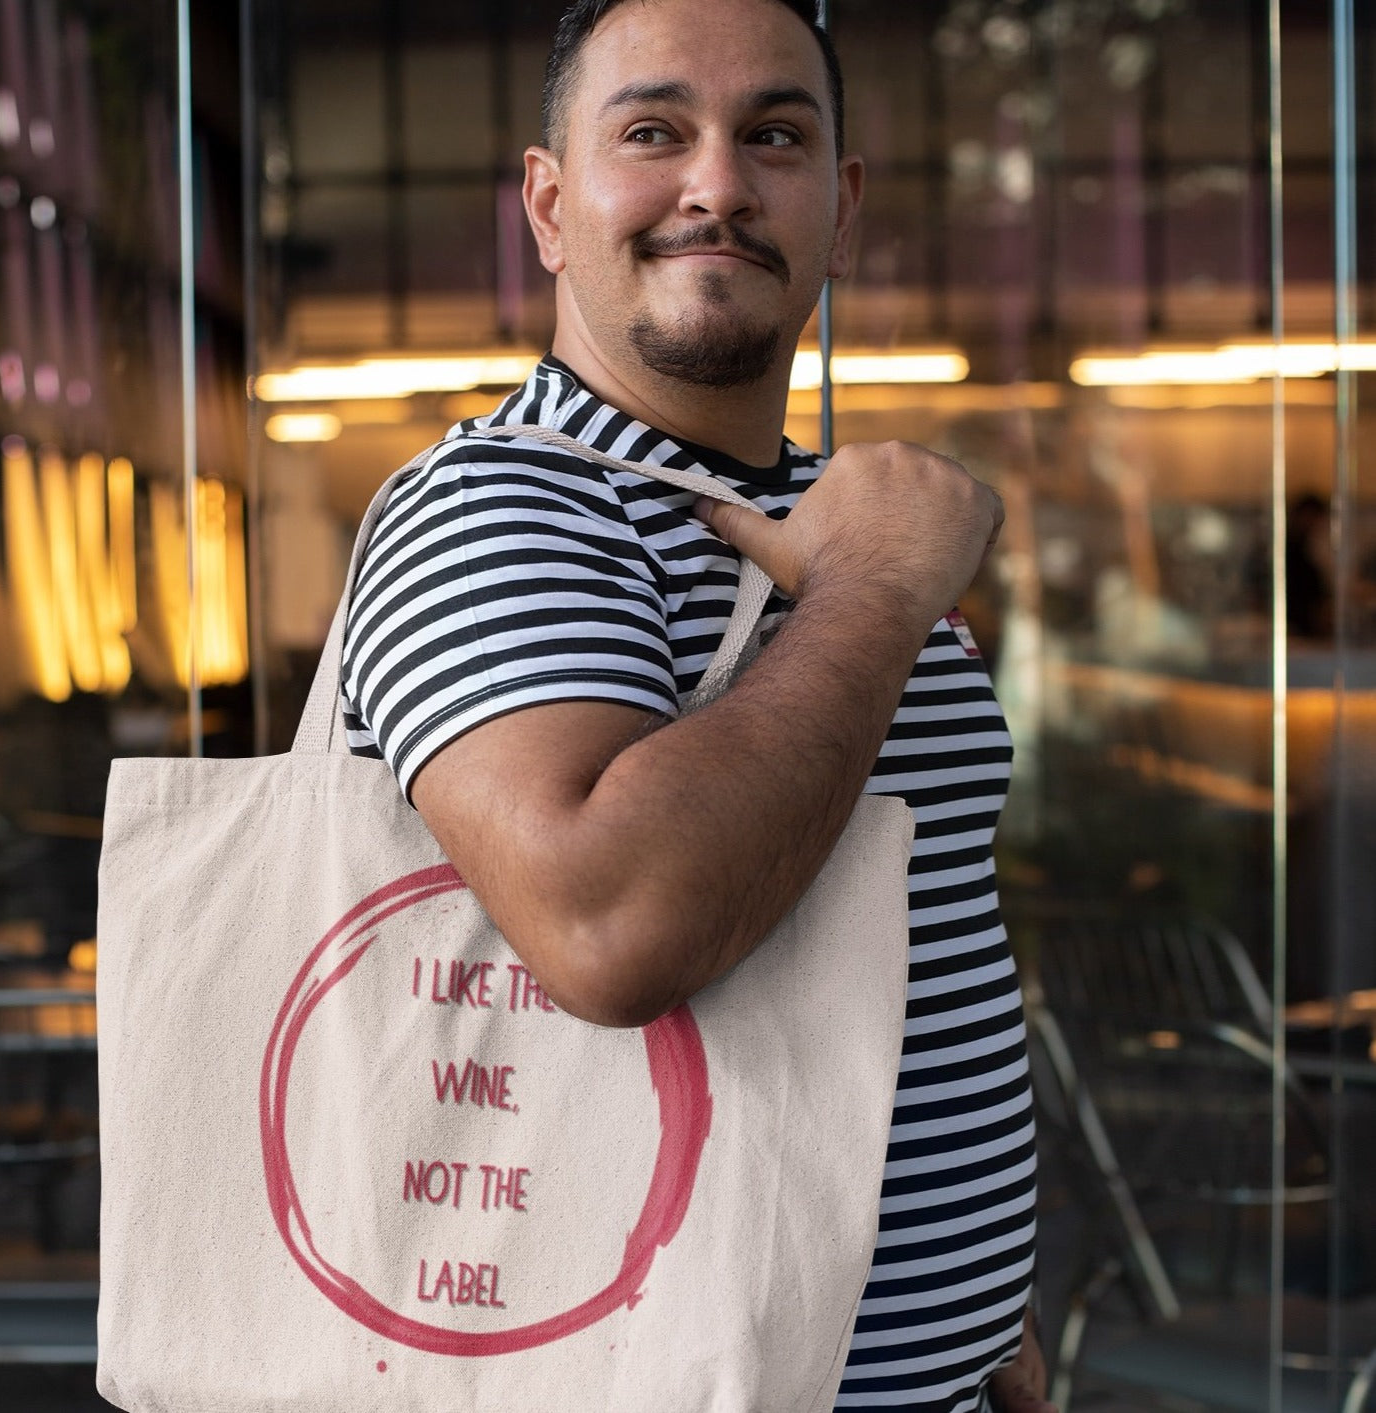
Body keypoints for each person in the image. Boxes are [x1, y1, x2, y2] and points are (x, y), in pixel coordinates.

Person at [342, 0, 1048, 1407]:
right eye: (652, 132)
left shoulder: (821, 512)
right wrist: (867, 597)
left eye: (772, 137)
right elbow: (609, 923)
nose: (717, 185)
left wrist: (971, 1318)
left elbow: (896, 933)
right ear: (548, 204)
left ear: (839, 209)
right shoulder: (495, 511)